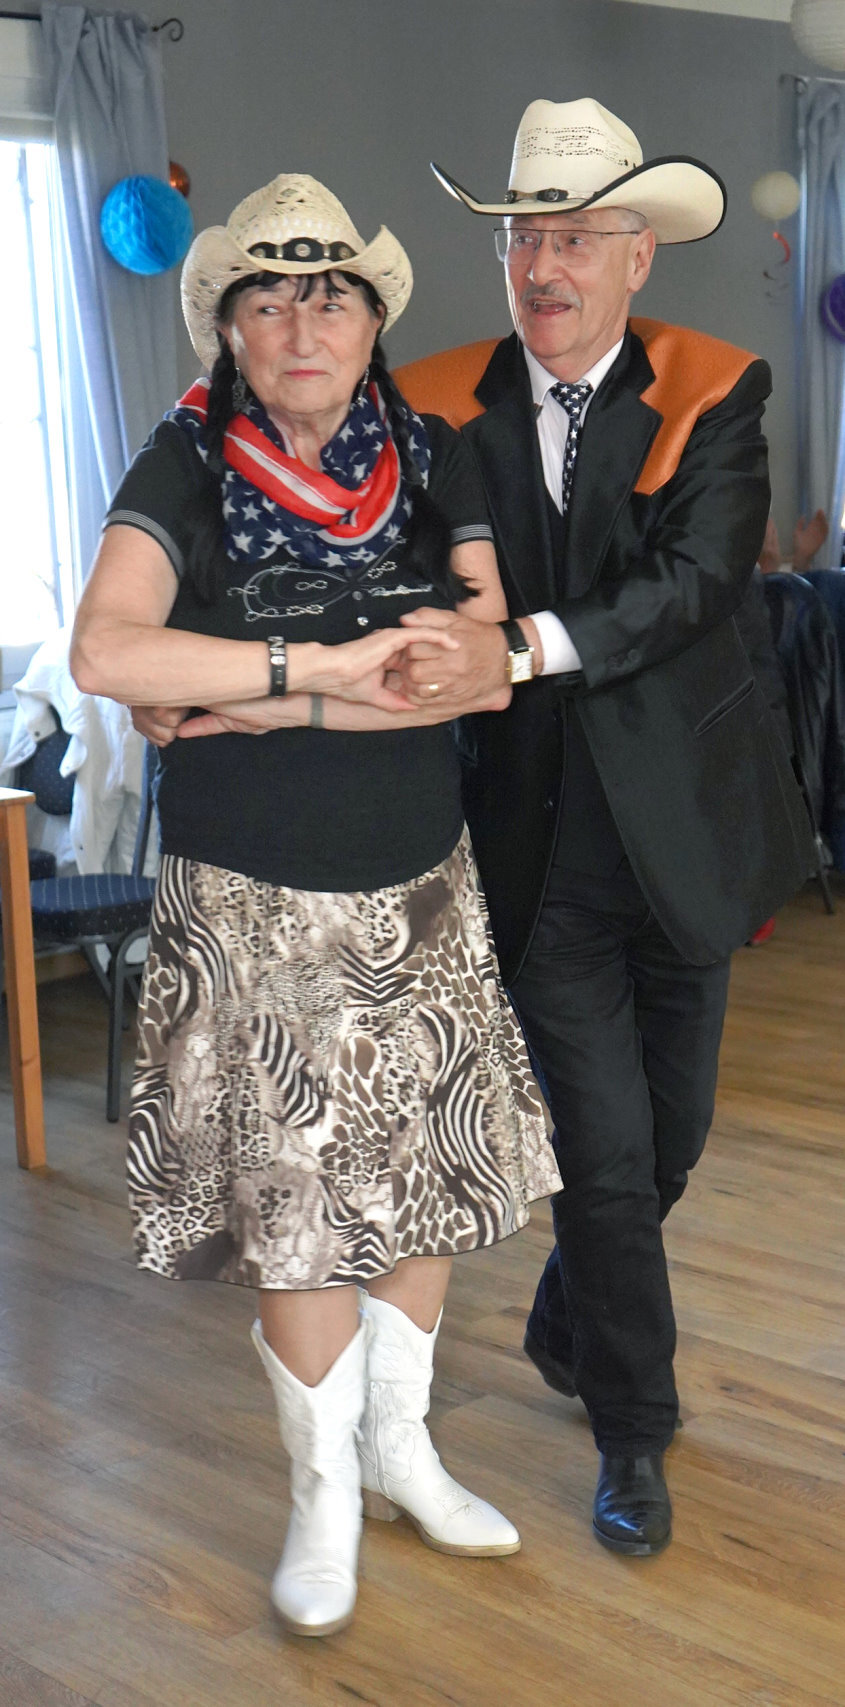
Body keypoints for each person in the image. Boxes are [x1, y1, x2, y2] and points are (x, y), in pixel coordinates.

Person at [70, 173, 559, 1638]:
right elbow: (108, 652)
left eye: (331, 296)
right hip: (249, 896)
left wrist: (249, 692)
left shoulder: (437, 456)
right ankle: (323, 1494)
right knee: (294, 1210)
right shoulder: (182, 462)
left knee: (422, 1177)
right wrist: (325, 669)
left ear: (372, 323)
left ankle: (400, 1451)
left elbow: (465, 665)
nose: (302, 324)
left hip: (420, 881)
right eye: (268, 299)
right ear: (228, 329)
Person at [388, 98, 815, 1556]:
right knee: (608, 1158)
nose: (543, 266)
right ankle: (634, 1433)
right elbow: (374, 564)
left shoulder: (717, 386)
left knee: (672, 1138)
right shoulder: (434, 399)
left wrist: (517, 648)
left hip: (681, 831)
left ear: (639, 256)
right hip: (530, 844)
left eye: (574, 238)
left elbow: (695, 581)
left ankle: (571, 1320)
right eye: (524, 238)